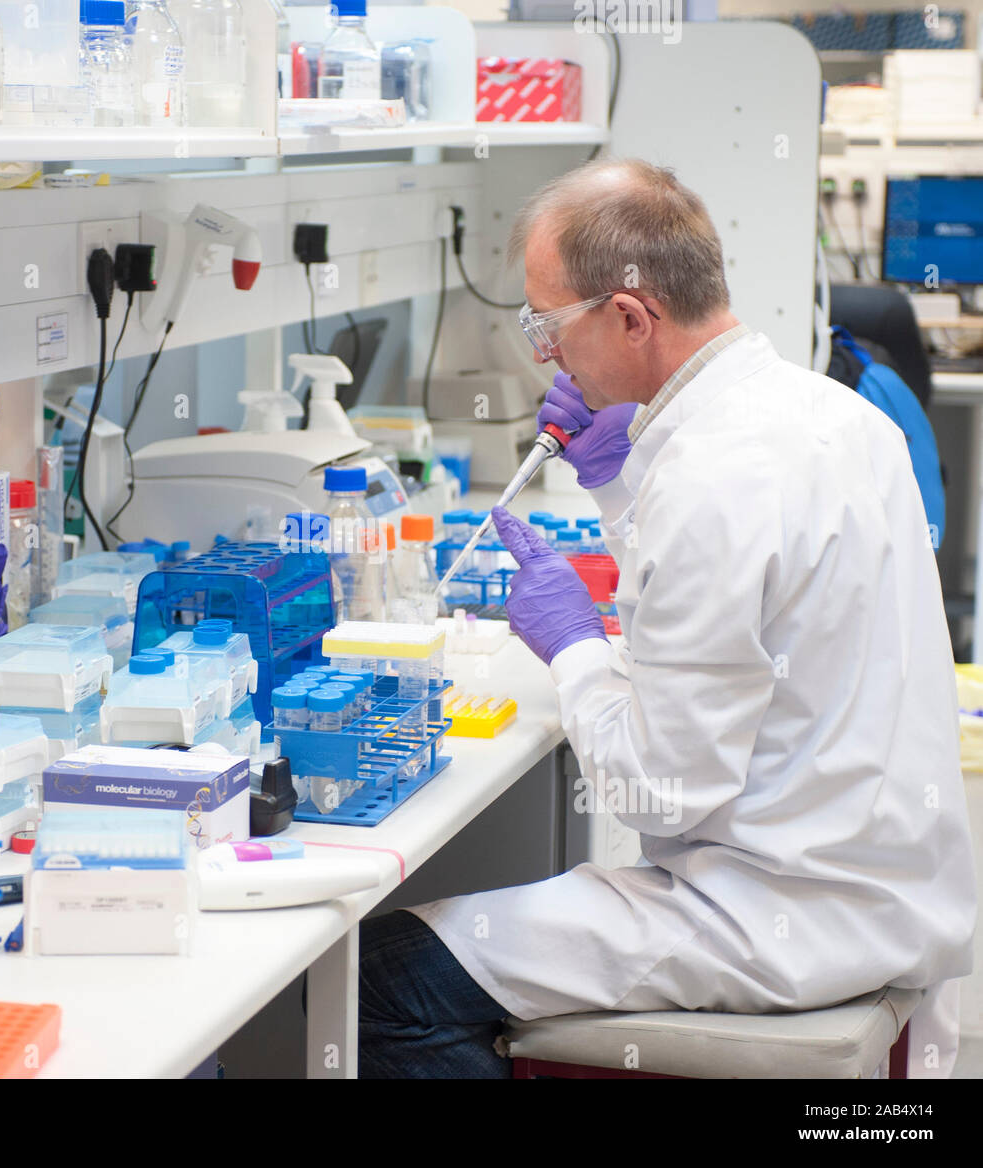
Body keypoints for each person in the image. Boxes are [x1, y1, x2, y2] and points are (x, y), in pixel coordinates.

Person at [359, 159, 976, 1079]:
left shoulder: (712, 480)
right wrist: (620, 482)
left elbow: (656, 791)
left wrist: (571, 648)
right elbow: (739, 594)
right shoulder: (831, 415)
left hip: (779, 914)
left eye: (546, 324)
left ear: (631, 316)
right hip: (882, 881)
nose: (542, 353)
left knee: (385, 978)